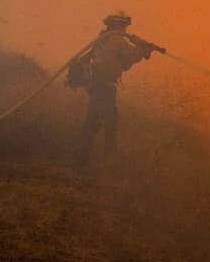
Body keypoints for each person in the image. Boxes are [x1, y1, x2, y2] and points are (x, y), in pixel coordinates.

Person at [69, 10, 163, 163]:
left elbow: (123, 61)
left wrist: (143, 47)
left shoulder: (103, 39)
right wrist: (145, 48)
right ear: (119, 25)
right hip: (104, 87)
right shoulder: (117, 41)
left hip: (97, 86)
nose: (125, 29)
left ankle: (80, 159)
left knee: (93, 122)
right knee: (110, 122)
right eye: (124, 26)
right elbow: (132, 56)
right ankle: (109, 160)